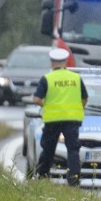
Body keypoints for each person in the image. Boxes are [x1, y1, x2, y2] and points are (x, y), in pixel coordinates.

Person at [33, 48, 88, 186]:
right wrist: (75, 107)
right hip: (72, 119)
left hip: (53, 119)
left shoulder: (47, 78)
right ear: (65, 62)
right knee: (73, 150)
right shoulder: (75, 78)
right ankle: (74, 179)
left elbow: (36, 99)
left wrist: (47, 104)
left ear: (52, 63)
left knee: (48, 149)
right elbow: (85, 98)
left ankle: (42, 176)